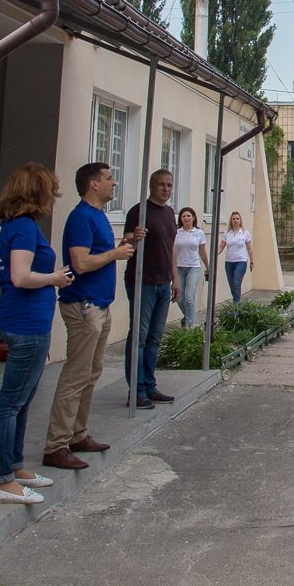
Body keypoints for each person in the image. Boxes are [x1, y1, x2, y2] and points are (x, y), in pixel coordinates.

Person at [0, 162, 74, 503]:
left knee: (21, 401)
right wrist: (54, 278)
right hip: (25, 323)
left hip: (26, 322)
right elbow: (21, 276)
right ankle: (3, 479)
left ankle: (16, 466)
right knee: (10, 403)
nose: (54, 197)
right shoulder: (22, 228)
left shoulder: (14, 226)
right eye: (50, 191)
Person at [42, 162, 135, 471]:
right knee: (76, 375)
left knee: (91, 373)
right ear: (93, 184)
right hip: (83, 306)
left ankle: (77, 434)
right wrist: (115, 254)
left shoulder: (98, 217)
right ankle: (56, 444)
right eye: (109, 178)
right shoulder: (81, 217)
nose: (114, 183)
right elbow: (80, 263)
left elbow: (97, 257)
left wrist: (124, 245)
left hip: (98, 305)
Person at [122, 170, 178, 409]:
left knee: (155, 339)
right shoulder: (139, 211)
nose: (166, 189)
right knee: (139, 338)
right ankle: (136, 390)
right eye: (162, 185)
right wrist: (134, 238)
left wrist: (175, 279)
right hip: (143, 281)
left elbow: (171, 248)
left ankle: (149, 385)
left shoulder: (169, 213)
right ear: (151, 186)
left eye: (169, 185)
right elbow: (125, 244)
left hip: (164, 283)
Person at [174, 207, 209, 329]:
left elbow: (203, 252)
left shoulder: (199, 233)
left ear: (193, 217)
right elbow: (172, 251)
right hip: (179, 267)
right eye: (183, 216)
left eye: (188, 216)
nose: (186, 218)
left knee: (189, 298)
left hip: (193, 267)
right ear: (181, 219)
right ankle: (187, 315)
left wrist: (207, 267)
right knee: (179, 298)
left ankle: (189, 326)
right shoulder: (176, 232)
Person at [220, 211, 253, 303]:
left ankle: (236, 307)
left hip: (241, 261)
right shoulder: (227, 233)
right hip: (229, 262)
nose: (235, 220)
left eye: (237, 219)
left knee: (236, 283)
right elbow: (221, 246)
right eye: (233, 219)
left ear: (240, 220)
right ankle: (238, 304)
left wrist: (252, 261)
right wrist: (216, 253)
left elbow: (249, 248)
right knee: (232, 285)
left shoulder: (245, 233)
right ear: (231, 220)